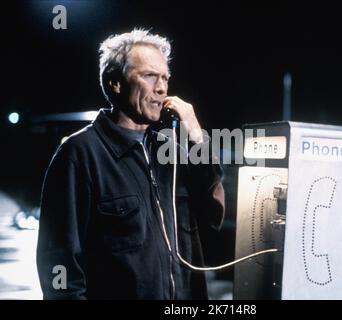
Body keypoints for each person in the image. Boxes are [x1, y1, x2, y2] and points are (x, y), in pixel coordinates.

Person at [36, 28, 225, 299]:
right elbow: (58, 260)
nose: (161, 88)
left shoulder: (170, 152)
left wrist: (195, 133)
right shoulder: (80, 154)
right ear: (115, 83)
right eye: (149, 76)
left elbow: (213, 213)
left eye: (165, 78)